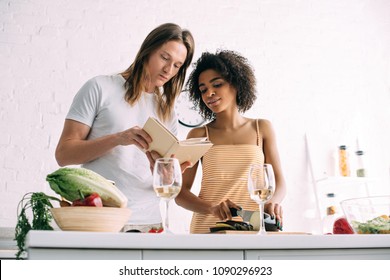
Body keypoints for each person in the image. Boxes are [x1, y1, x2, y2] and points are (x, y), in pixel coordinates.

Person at [55, 23, 195, 232]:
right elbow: (64, 155)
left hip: (151, 224)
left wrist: (166, 174)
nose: (168, 69)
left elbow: (164, 183)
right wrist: (118, 138)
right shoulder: (100, 87)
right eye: (165, 58)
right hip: (102, 220)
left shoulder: (167, 111)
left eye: (177, 65)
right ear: (147, 51)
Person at [175, 50, 286, 234]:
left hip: (253, 227)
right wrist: (212, 208)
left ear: (236, 83)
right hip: (208, 228)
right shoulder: (199, 134)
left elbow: (280, 182)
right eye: (203, 90)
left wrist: (273, 202)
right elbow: (180, 193)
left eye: (217, 84)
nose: (209, 93)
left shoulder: (262, 128)